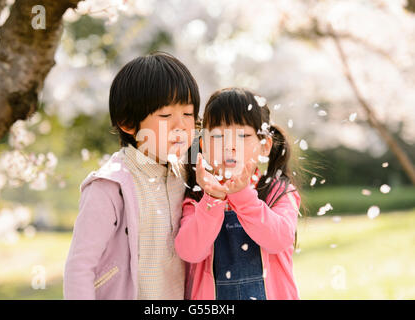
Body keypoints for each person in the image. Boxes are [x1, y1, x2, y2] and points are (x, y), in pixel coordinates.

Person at [63, 52, 200, 299]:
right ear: (127, 123)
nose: (180, 125)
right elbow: (79, 267)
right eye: (166, 116)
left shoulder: (188, 176)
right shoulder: (110, 186)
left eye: (188, 114)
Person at [175, 87, 302, 300]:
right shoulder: (198, 198)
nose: (229, 146)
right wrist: (212, 199)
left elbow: (279, 240)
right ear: (203, 145)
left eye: (243, 135)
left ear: (265, 146)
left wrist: (242, 196)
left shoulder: (277, 191)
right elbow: (190, 251)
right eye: (218, 136)